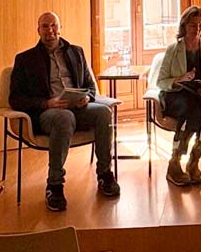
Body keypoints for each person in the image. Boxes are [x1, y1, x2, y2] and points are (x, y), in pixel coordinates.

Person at [9, 12, 119, 210]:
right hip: (48, 113)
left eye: (53, 26)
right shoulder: (26, 59)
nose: (50, 30)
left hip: (78, 107)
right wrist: (46, 103)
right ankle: (54, 185)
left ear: (60, 28)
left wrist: (87, 97)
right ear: (38, 30)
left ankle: (105, 175)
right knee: (64, 117)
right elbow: (15, 98)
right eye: (45, 26)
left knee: (103, 112)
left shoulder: (76, 52)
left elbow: (90, 87)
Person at [155, 6, 201, 186]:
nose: (198, 29)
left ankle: (195, 159)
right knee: (191, 109)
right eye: (193, 25)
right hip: (178, 94)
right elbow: (161, 81)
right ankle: (175, 161)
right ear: (184, 26)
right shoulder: (173, 50)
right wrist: (179, 79)